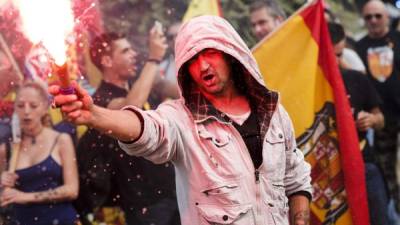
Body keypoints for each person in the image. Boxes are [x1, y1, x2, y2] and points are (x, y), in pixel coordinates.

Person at [50, 15, 312, 225]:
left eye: (209, 53)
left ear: (230, 52)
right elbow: (150, 129)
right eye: (192, 60)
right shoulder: (180, 119)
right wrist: (94, 115)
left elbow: (296, 177)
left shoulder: (273, 112)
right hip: (146, 202)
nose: (203, 66)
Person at [75, 28, 180, 225]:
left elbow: (179, 92)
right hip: (143, 203)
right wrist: (154, 59)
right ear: (106, 61)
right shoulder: (99, 100)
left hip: (172, 190)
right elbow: (130, 108)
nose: (133, 55)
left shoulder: (140, 84)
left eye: (132, 50)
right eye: (125, 51)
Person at [329, 22, 388, 225]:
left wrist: (372, 120)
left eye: (340, 54)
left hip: (365, 165)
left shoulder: (356, 79)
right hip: (329, 176)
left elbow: (381, 120)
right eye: (332, 55)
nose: (338, 61)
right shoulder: (308, 88)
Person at [0, 81, 79, 225]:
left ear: (44, 108)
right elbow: (5, 197)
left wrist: (25, 197)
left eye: (33, 105)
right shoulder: (7, 148)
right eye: (20, 105)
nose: (27, 111)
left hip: (62, 220)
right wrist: (2, 182)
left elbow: (72, 190)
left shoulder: (61, 140)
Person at [355, 0, 400, 212]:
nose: (373, 20)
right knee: (387, 169)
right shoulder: (359, 46)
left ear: (387, 17)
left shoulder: (398, 39)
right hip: (380, 120)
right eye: (368, 17)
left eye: (377, 16)